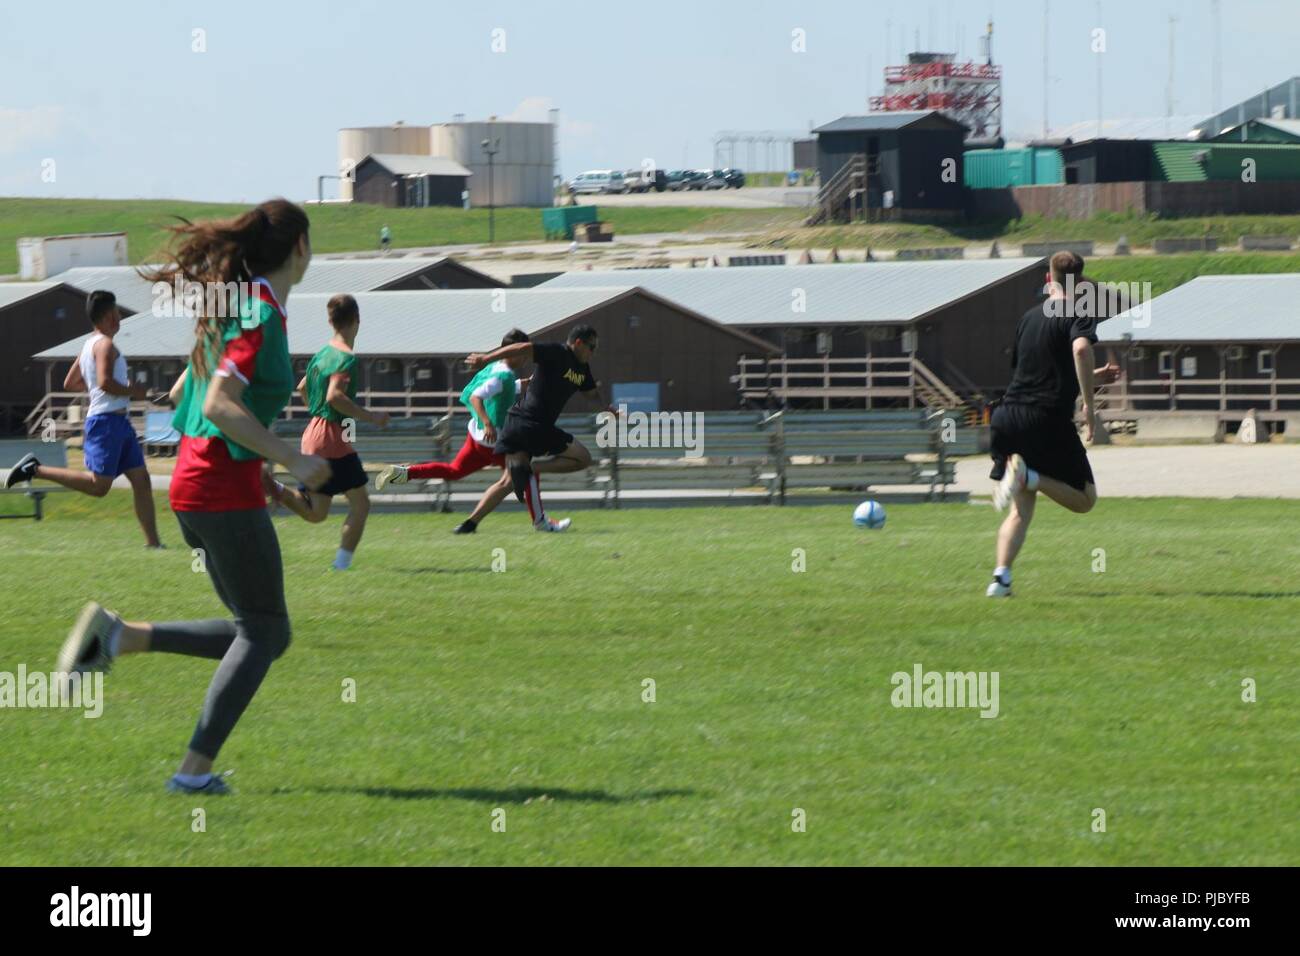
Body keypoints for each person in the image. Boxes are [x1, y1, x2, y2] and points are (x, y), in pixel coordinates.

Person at [54, 198, 330, 795]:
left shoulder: (235, 305)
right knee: (265, 631)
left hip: (198, 485)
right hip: (218, 492)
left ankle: (118, 637)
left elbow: (191, 388)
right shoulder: (258, 312)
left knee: (259, 630)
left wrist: (257, 461)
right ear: (300, 247)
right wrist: (295, 459)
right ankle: (193, 773)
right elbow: (216, 405)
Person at [985, 251, 1122, 598]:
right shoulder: (1078, 314)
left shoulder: (1028, 319)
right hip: (1045, 420)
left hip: (1008, 417)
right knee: (1085, 499)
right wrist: (1090, 405)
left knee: (1021, 508)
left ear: (1049, 280)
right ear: (1081, 287)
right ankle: (1029, 475)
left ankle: (1001, 579)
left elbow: (1042, 376)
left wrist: (1092, 378)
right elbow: (1079, 350)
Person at [5, 290, 162, 547]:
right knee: (98, 487)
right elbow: (104, 382)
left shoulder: (90, 343)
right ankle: (35, 469)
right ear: (110, 316)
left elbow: (71, 382)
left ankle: (154, 544)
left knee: (141, 480)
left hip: (118, 423)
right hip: (106, 423)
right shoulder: (105, 345)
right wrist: (134, 390)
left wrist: (111, 389)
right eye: (117, 313)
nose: (119, 317)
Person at [376, 328, 565, 533]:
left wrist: (522, 384)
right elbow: (477, 397)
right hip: (494, 442)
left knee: (454, 471)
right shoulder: (503, 375)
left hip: (476, 439)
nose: (527, 358)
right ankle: (540, 522)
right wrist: (488, 423)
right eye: (525, 353)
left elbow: (498, 390)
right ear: (514, 353)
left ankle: (403, 473)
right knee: (528, 473)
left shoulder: (496, 368)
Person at [263, 294, 390, 569]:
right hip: (334, 438)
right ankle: (341, 566)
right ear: (357, 320)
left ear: (330, 321)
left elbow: (302, 387)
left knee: (316, 513)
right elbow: (335, 397)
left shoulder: (322, 353)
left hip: (313, 434)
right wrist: (372, 416)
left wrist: (317, 412)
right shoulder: (346, 357)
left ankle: (274, 487)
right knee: (361, 504)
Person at [464, 324, 618, 531]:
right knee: (583, 458)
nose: (594, 352)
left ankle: (469, 524)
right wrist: (485, 359)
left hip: (534, 427)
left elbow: (591, 394)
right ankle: (531, 476)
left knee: (508, 481)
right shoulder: (556, 352)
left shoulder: (583, 370)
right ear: (578, 343)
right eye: (592, 347)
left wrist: (606, 408)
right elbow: (521, 348)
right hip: (526, 424)